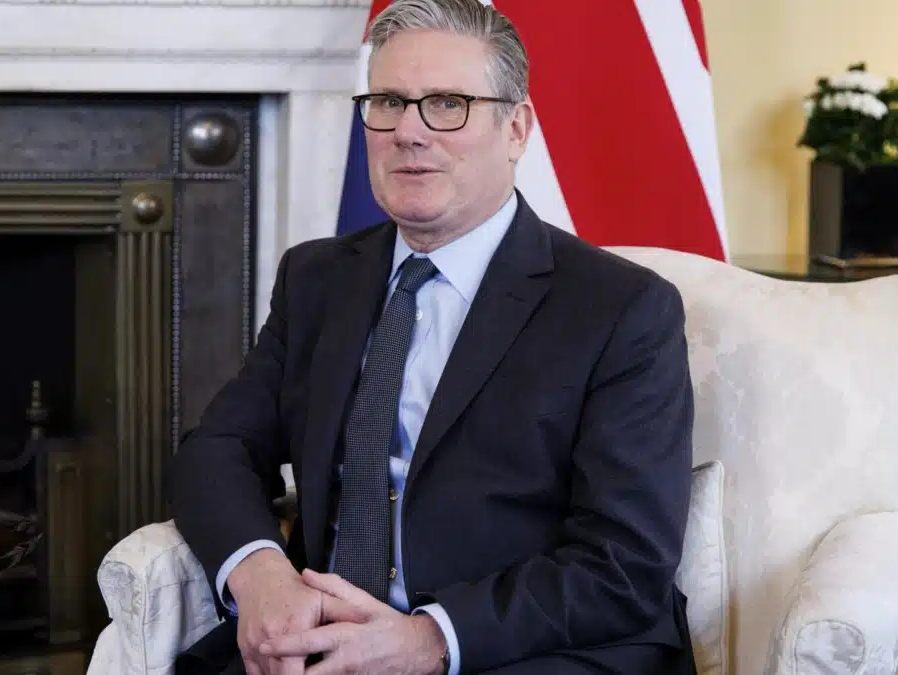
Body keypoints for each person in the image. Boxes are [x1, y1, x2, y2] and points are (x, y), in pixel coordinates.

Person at [170, 0, 697, 673]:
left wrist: (431, 639)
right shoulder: (317, 279)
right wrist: (261, 574)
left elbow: (625, 563)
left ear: (516, 129)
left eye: (448, 104)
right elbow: (216, 448)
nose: (409, 132)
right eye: (388, 102)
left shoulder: (621, 309)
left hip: (518, 651)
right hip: (318, 642)